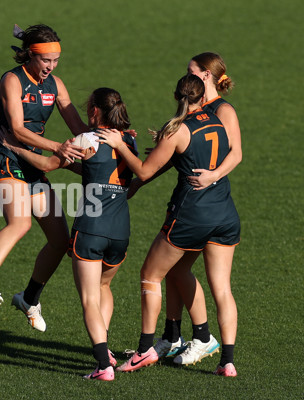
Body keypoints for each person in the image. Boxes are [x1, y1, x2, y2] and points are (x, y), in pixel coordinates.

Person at [98, 74, 240, 377]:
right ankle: (225, 359)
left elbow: (146, 171)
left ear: (177, 95)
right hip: (225, 214)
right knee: (216, 286)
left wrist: (119, 145)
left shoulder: (176, 130)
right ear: (203, 97)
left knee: (150, 274)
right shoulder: (217, 121)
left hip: (191, 215)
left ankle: (145, 348)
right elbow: (200, 155)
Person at [3, 88, 137, 381]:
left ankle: (103, 365)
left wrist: (16, 149)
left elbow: (48, 164)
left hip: (91, 228)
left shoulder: (86, 139)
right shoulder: (130, 140)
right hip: (120, 231)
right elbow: (102, 171)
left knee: (89, 298)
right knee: (103, 288)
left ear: (94, 111)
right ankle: (107, 349)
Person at [0, 24, 88, 333]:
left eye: (56, 60)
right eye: (46, 60)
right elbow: (17, 129)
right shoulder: (12, 80)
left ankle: (29, 299)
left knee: (61, 240)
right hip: (7, 159)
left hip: (35, 165)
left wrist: (111, 138)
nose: (51, 66)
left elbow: (78, 127)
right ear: (30, 55)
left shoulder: (56, 85)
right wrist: (56, 148)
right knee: (19, 223)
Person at [148, 53, 242, 375]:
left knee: (192, 277)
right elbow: (183, 153)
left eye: (191, 71)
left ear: (205, 76)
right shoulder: (197, 111)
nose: (186, 74)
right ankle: (175, 337)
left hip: (201, 207)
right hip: (215, 211)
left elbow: (235, 153)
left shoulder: (222, 110)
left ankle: (202, 339)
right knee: (177, 272)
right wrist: (162, 149)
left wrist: (211, 175)